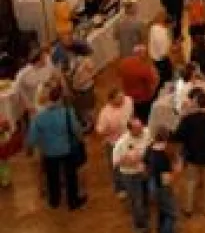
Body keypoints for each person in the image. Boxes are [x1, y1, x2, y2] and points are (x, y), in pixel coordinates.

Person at [25, 83, 87, 211]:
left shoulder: (39, 117)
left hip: (49, 151)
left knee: (52, 176)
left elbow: (32, 138)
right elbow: (76, 130)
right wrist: (81, 140)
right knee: (70, 176)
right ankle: (73, 201)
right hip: (67, 149)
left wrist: (29, 149)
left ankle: (54, 200)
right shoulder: (68, 113)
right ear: (59, 99)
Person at [173, 89, 205, 216]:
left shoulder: (187, 120)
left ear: (196, 103)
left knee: (190, 181)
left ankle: (188, 208)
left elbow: (178, 136)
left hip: (192, 155)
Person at [146, 126, 181, 233]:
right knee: (171, 216)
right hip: (163, 188)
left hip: (153, 186)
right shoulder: (165, 154)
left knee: (162, 214)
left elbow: (145, 165)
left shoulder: (150, 148)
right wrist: (177, 169)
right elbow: (168, 177)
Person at [113, 117, 152, 233]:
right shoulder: (122, 143)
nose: (141, 130)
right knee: (136, 200)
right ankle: (140, 226)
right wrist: (128, 160)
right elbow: (115, 162)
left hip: (144, 171)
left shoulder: (147, 132)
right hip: (130, 175)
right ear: (130, 130)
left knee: (145, 195)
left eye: (141, 127)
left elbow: (151, 146)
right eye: (138, 129)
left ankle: (144, 214)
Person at [96, 87, 134, 195]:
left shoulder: (128, 101)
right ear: (111, 100)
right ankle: (120, 188)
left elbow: (131, 114)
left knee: (131, 161)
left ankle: (131, 183)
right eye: (119, 99)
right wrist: (110, 132)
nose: (122, 100)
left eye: (122, 97)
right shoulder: (105, 114)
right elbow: (99, 131)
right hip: (114, 143)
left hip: (129, 138)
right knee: (117, 166)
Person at [117, 45, 159, 124]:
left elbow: (119, 76)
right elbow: (154, 82)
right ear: (141, 54)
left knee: (135, 114)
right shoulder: (144, 67)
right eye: (145, 54)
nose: (146, 56)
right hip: (143, 98)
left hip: (129, 96)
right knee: (146, 117)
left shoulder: (123, 63)